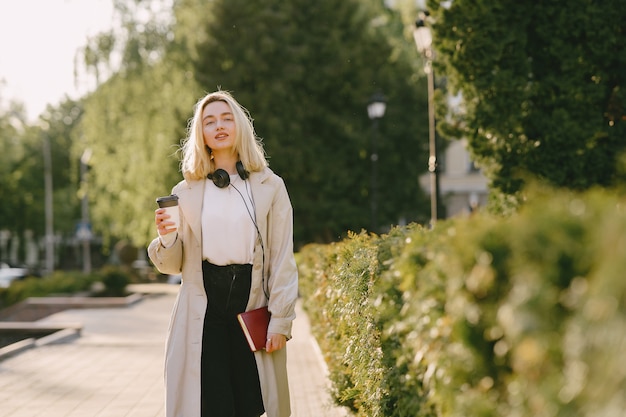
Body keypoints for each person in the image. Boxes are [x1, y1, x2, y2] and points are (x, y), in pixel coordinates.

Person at [148, 90, 298, 417]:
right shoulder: (184, 192)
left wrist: (281, 321)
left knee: (252, 403)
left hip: (252, 306)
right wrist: (167, 237)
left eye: (227, 118)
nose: (219, 126)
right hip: (204, 312)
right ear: (200, 134)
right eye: (209, 121)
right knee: (211, 404)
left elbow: (281, 257)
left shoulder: (270, 186)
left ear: (240, 125)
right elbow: (173, 266)